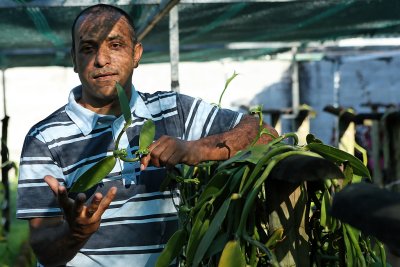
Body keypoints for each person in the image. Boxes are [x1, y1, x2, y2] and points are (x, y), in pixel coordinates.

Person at [16, 4, 277, 267]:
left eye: (115, 45)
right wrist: (75, 233)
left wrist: (197, 149)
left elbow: (263, 133)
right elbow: (44, 250)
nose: (101, 60)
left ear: (136, 54)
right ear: (74, 59)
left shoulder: (173, 111)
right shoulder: (44, 138)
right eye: (88, 48)